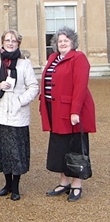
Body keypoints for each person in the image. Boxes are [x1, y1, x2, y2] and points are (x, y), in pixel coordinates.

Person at [0, 30, 39, 201]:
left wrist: (20, 101)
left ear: (18, 43)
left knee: (16, 152)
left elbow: (33, 87)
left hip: (17, 114)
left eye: (14, 41)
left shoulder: (24, 63)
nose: (10, 43)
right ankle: (7, 184)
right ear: (2, 42)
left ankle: (16, 187)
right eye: (7, 40)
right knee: (3, 151)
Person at [39, 26, 96, 202]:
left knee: (75, 148)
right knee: (60, 148)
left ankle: (76, 184)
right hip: (54, 110)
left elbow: (80, 87)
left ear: (72, 42)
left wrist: (75, 112)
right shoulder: (53, 57)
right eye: (60, 41)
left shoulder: (79, 58)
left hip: (71, 112)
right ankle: (63, 182)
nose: (62, 43)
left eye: (66, 40)